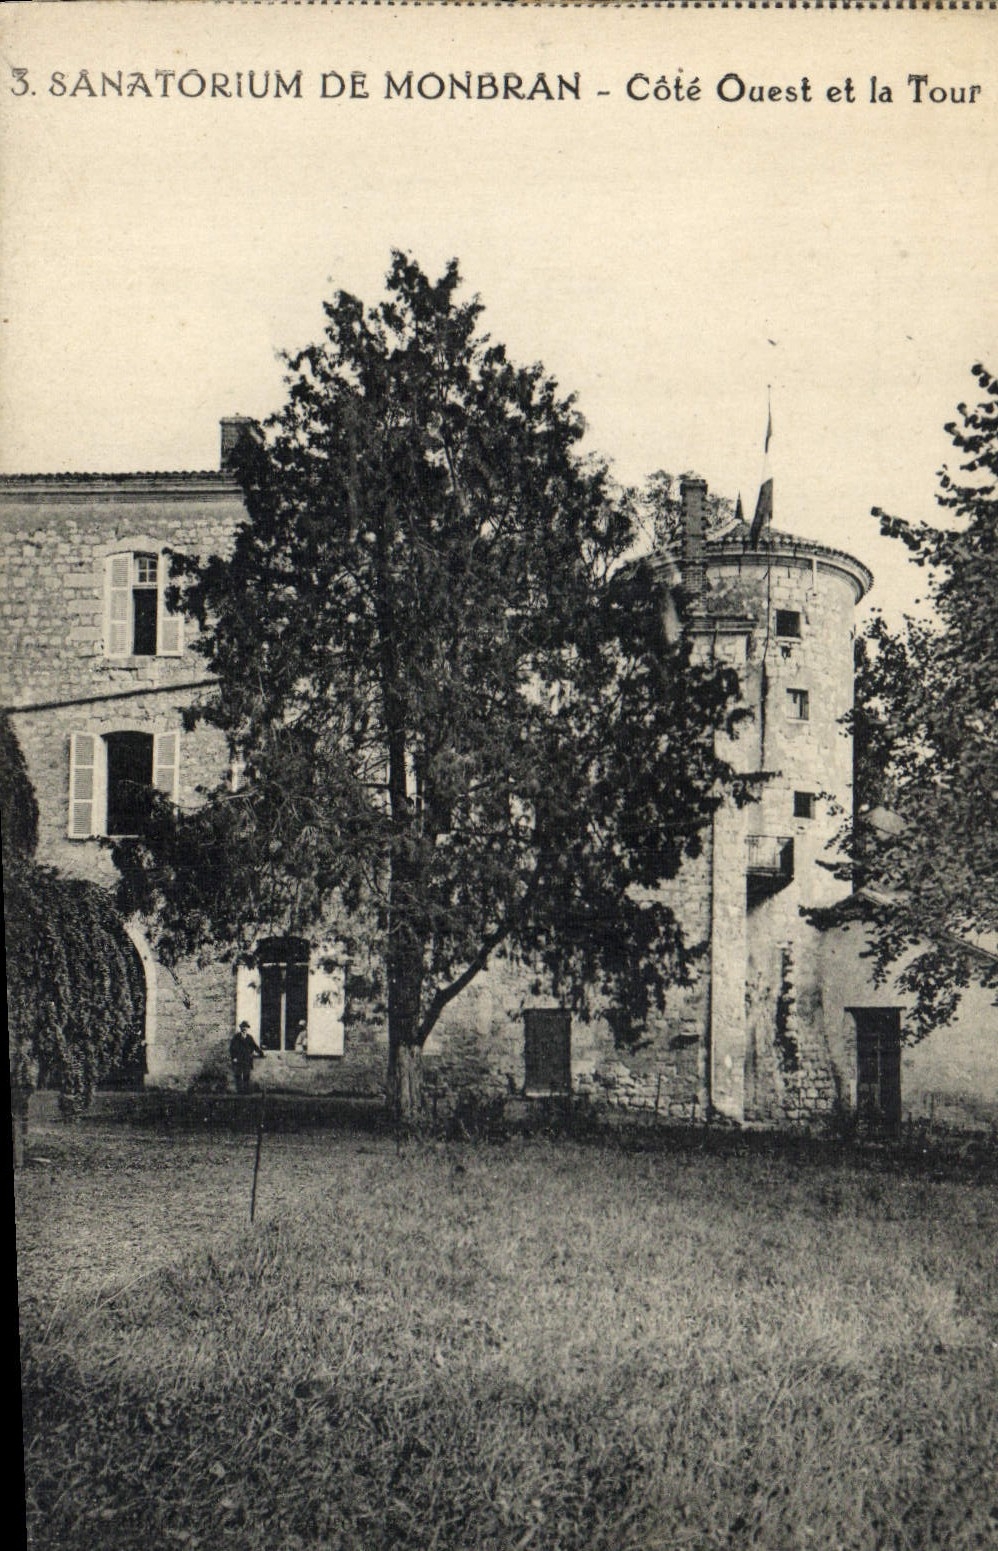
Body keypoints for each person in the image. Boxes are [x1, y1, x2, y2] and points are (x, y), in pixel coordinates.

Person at [229, 1019, 263, 1094]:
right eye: (243, 1027)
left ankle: (246, 1090)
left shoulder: (249, 1038)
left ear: (247, 1029)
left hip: (247, 1059)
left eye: (246, 1027)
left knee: (246, 1075)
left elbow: (255, 1046)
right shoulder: (236, 1037)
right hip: (238, 1059)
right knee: (238, 1075)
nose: (244, 1029)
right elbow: (232, 1048)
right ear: (241, 1028)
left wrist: (261, 1053)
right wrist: (234, 1057)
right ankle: (239, 1090)